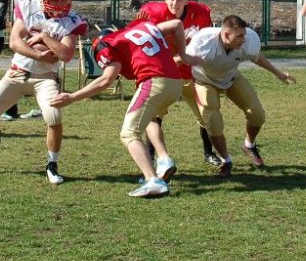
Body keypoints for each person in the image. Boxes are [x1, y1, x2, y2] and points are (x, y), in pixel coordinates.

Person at [51, 19, 200, 198]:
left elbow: (107, 79)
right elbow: (176, 24)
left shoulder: (107, 43)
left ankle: (153, 180)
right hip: (175, 82)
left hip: (154, 81)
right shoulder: (140, 28)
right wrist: (183, 54)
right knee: (148, 119)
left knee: (129, 133)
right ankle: (163, 159)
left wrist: (73, 96)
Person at [0, 0, 87, 185]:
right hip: (18, 72)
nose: (60, 5)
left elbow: (66, 54)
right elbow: (15, 42)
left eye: (64, 0)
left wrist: (45, 37)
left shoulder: (72, 20)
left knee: (54, 116)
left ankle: (52, 164)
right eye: (55, 0)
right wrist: (39, 55)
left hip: (45, 78)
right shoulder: (28, 8)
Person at [185, 15, 296, 176]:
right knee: (212, 120)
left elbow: (256, 57)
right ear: (225, 35)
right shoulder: (203, 42)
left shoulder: (249, 39)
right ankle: (226, 160)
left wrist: (278, 73)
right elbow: (182, 59)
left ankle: (249, 145)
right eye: (239, 36)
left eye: (244, 34)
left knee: (257, 114)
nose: (244, 39)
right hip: (204, 81)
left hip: (231, 78)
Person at [134, 0, 218, 166]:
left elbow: (207, 44)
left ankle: (208, 153)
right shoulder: (153, 13)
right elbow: (139, 37)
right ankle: (151, 156)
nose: (175, 3)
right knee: (154, 115)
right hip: (165, 74)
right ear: (165, 0)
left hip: (191, 73)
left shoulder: (201, 13)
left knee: (205, 113)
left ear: (187, 1)